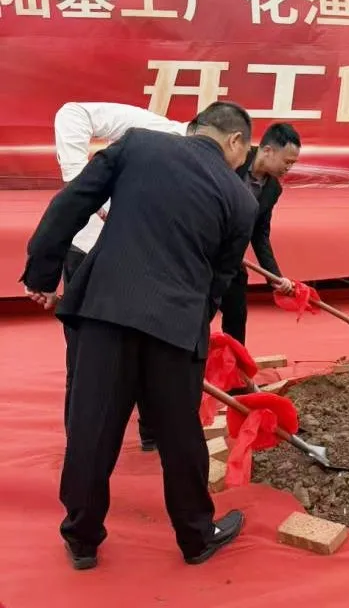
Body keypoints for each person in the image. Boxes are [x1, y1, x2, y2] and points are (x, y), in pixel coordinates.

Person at [21, 101, 259, 569]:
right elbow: (220, 279)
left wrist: (43, 275)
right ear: (235, 140)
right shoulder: (241, 199)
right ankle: (196, 536)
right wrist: (194, 324)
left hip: (108, 308)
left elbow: (71, 204)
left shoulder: (138, 146)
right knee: (180, 434)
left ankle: (82, 538)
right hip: (176, 325)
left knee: (92, 426)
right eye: (244, 153)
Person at [53, 101, 195, 449]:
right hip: (89, 253)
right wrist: (82, 189)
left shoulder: (210, 171)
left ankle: (152, 430)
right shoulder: (153, 131)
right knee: (85, 353)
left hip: (145, 260)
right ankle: (81, 440)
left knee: (151, 342)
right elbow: (72, 113)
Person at [218, 122, 300, 346]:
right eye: (287, 162)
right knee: (198, 313)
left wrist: (275, 277)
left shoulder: (273, 189)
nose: (288, 168)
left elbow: (260, 233)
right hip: (202, 252)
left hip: (232, 258)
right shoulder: (233, 159)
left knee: (236, 315)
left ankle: (235, 363)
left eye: (292, 164)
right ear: (268, 151)